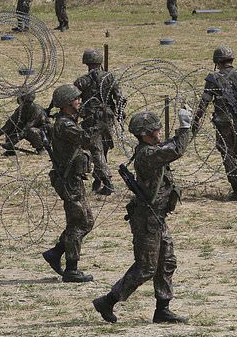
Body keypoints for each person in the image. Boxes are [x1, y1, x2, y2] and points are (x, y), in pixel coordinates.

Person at [93, 108, 192, 324]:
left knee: (167, 261)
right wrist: (184, 128)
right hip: (147, 220)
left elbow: (171, 145)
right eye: (154, 130)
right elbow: (175, 149)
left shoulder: (153, 149)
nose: (158, 133)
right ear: (144, 135)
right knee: (145, 268)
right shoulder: (148, 155)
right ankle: (108, 301)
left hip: (157, 218)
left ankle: (162, 309)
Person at [42, 84, 95, 283]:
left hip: (72, 178)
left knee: (85, 220)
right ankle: (71, 268)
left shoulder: (69, 121)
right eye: (76, 99)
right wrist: (95, 122)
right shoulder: (65, 125)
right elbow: (87, 139)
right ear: (65, 104)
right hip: (69, 180)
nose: (79, 101)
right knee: (79, 222)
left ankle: (55, 253)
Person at [192, 45, 237, 201]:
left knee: (227, 152)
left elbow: (204, 102)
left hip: (223, 122)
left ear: (217, 62)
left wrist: (196, 120)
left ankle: (236, 188)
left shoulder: (213, 79)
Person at [74, 48, 124, 195]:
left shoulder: (82, 81)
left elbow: (72, 98)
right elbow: (119, 97)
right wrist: (119, 113)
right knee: (103, 148)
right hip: (107, 116)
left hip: (92, 118)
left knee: (96, 149)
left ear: (86, 62)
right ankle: (97, 180)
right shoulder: (109, 77)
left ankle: (107, 182)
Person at [0, 88, 48, 156]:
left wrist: (12, 142)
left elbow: (26, 129)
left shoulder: (36, 110)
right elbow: (9, 124)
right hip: (26, 131)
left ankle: (40, 149)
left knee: (31, 131)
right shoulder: (21, 109)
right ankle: (11, 151)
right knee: (11, 129)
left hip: (43, 133)